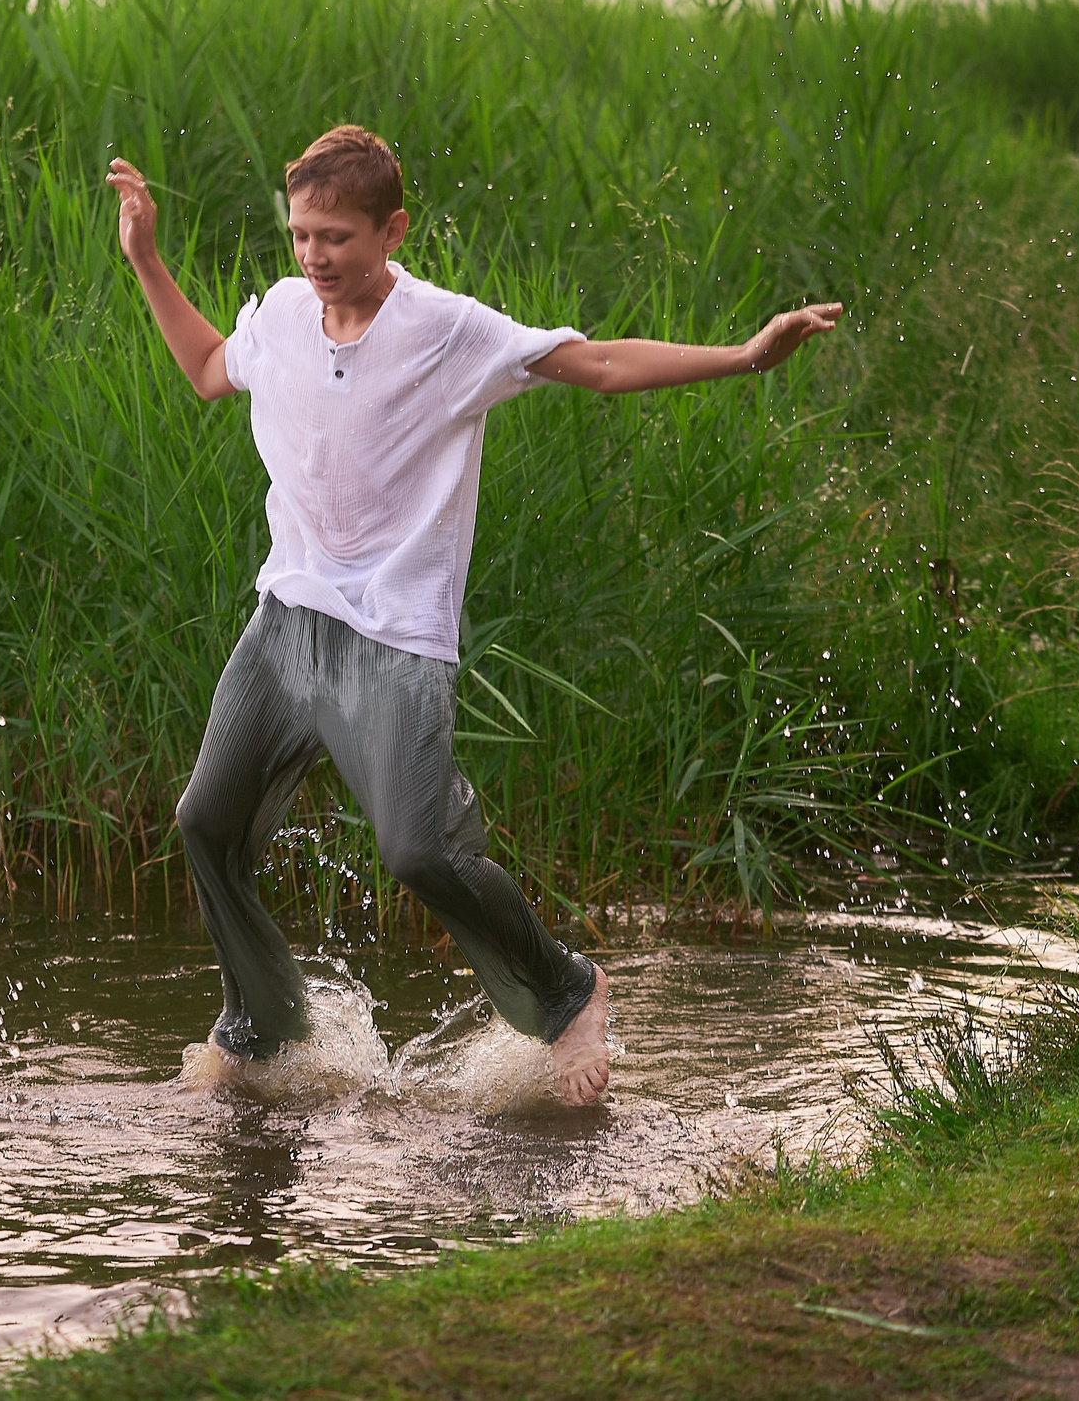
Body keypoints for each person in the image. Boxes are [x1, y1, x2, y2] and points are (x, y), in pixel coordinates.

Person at [107, 127, 840, 1105]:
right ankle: (261, 1031)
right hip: (286, 623)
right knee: (205, 822)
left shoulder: (447, 332)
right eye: (299, 236)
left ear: (391, 228)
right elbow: (206, 369)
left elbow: (602, 365)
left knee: (417, 850)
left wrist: (747, 358)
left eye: (335, 237)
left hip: (393, 639)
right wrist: (147, 260)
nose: (314, 258)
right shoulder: (284, 315)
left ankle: (565, 989)